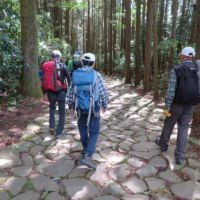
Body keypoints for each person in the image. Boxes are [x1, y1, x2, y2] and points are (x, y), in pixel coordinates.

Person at [67, 53, 109, 169]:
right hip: (93, 108)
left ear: (82, 62)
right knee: (94, 131)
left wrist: (71, 107)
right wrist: (105, 104)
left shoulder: (75, 74)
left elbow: (70, 93)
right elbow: (102, 93)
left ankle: (85, 147)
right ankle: (88, 155)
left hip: (80, 108)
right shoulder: (96, 75)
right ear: (93, 64)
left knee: (82, 127)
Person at [155, 47, 196, 165]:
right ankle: (180, 156)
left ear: (183, 56)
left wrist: (167, 105)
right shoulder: (197, 70)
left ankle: (163, 144)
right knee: (184, 128)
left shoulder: (177, 69)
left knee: (169, 123)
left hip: (176, 104)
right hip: (190, 105)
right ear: (192, 57)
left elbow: (171, 89)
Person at [42, 50, 71, 137]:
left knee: (52, 108)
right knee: (62, 112)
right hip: (61, 92)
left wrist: (45, 93)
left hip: (50, 92)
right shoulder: (63, 66)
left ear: (51, 57)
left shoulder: (47, 67)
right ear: (60, 58)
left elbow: (44, 80)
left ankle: (51, 126)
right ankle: (59, 132)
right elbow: (69, 80)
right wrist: (69, 92)